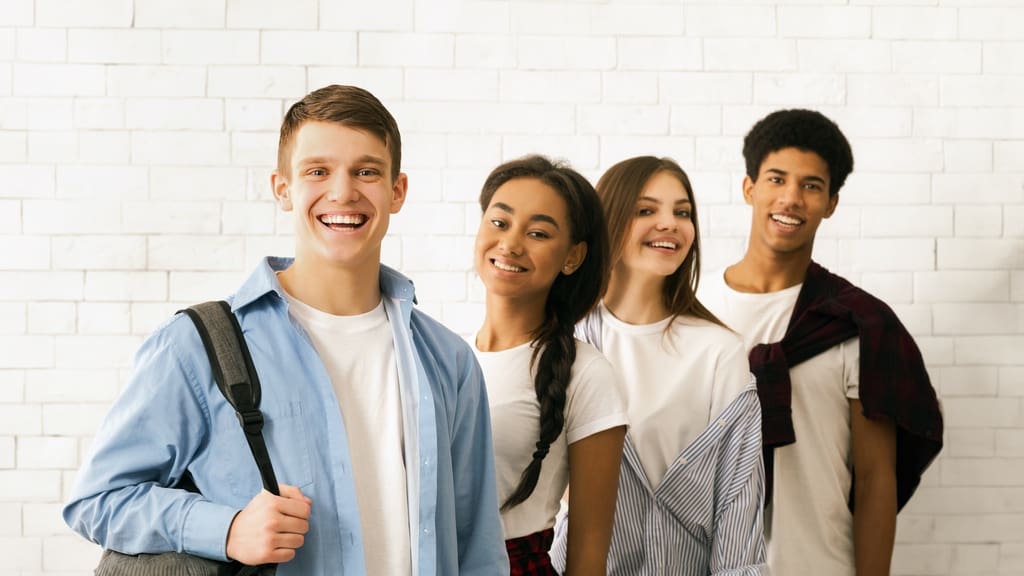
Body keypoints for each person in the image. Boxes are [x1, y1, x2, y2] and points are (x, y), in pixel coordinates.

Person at [63, 84, 509, 575]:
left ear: (397, 190)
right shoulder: (197, 346)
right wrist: (226, 529)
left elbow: (478, 547)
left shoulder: (447, 359)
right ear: (282, 189)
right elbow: (98, 499)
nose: (342, 192)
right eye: (318, 171)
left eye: (366, 171)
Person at [699, 108, 943, 576]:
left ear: (831, 202)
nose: (791, 198)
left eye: (811, 186)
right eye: (776, 179)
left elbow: (875, 481)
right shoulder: (692, 309)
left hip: (817, 563)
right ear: (749, 188)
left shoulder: (855, 323)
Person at [553, 156, 767, 575]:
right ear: (609, 220)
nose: (669, 223)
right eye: (646, 210)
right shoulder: (567, 344)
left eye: (682, 212)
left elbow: (738, 512)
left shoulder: (718, 352)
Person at [472, 156, 627, 575]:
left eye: (538, 233)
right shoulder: (441, 355)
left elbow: (589, 550)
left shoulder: (586, 372)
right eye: (500, 223)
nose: (510, 244)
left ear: (572, 257)